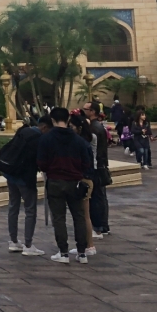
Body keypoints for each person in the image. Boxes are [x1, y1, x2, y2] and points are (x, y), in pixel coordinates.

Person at [37, 107, 94, 264]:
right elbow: (87, 162)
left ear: (53, 120)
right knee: (79, 217)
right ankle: (82, 253)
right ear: (68, 120)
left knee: (59, 218)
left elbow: (41, 163)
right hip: (75, 182)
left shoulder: (46, 139)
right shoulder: (78, 140)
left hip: (55, 181)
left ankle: (63, 252)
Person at [1, 125, 45, 256]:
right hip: (25, 177)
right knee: (30, 209)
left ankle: (13, 241)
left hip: (11, 173)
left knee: (13, 206)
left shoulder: (23, 131)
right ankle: (28, 244)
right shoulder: (38, 138)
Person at [69, 114, 99, 258]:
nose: (70, 129)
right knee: (84, 214)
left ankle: (89, 245)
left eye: (72, 126)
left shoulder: (81, 142)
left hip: (83, 180)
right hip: (88, 179)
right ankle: (88, 245)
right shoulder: (90, 138)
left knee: (84, 215)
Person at [83, 101, 111, 236]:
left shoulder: (94, 128)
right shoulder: (98, 126)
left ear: (92, 111)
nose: (84, 111)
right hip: (101, 164)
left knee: (96, 197)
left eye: (86, 109)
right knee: (101, 197)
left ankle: (99, 226)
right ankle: (104, 225)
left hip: (97, 166)